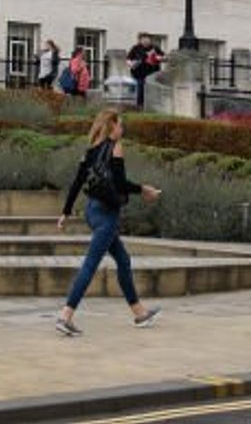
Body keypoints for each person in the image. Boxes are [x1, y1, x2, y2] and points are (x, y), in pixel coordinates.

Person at [54, 107, 162, 336]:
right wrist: (145, 190)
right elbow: (121, 184)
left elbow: (77, 182)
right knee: (90, 264)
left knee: (123, 260)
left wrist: (65, 211)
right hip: (107, 215)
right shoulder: (116, 148)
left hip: (92, 211)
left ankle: (139, 313)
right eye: (120, 124)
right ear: (112, 126)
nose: (123, 128)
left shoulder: (90, 150)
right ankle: (66, 315)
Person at [126, 33, 164, 108]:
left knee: (152, 91)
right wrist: (131, 64)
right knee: (139, 90)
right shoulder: (135, 48)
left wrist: (158, 58)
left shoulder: (155, 48)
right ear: (140, 40)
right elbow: (128, 59)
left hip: (152, 74)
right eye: (143, 39)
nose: (145, 41)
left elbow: (163, 57)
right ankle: (139, 106)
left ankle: (152, 106)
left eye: (147, 39)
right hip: (138, 74)